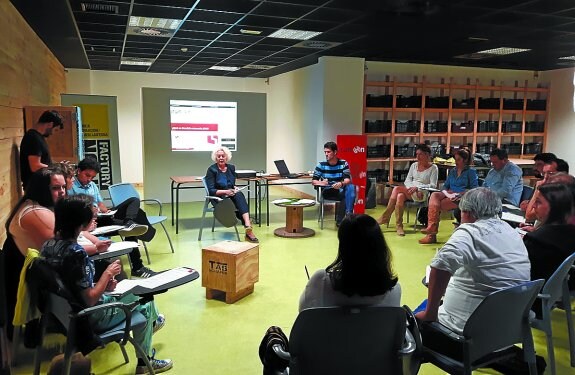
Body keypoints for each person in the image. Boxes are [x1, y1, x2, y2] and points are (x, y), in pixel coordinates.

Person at [41, 194, 173, 374]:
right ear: (82, 222)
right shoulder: (76, 253)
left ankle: (151, 326)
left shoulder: (48, 246)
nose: (94, 218)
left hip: (66, 315)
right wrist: (107, 274)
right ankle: (145, 361)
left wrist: (104, 285)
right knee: (146, 299)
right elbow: (89, 300)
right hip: (90, 317)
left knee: (131, 289)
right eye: (92, 216)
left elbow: (74, 285)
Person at [416, 187, 530, 336]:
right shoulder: (510, 230)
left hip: (465, 332)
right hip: (507, 329)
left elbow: (440, 266)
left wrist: (430, 313)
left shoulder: (469, 232)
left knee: (410, 322)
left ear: (467, 212)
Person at [67, 157, 158, 278]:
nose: (89, 179)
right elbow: (72, 210)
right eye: (87, 175)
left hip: (101, 217)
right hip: (87, 222)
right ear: (78, 171)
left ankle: (128, 221)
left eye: (92, 177)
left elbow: (100, 204)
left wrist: (107, 211)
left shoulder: (92, 185)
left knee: (134, 201)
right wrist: (90, 215)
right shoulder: (70, 186)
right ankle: (137, 267)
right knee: (132, 227)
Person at [2, 168, 66, 338]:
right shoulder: (36, 213)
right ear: (41, 189)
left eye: (63, 187)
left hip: (31, 273)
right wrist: (95, 246)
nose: (62, 192)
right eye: (55, 188)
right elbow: (61, 247)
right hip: (31, 278)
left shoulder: (35, 205)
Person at [299, 214, 401, 311]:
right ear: (380, 245)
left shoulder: (321, 282)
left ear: (343, 246)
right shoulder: (394, 290)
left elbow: (304, 314)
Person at [523, 184, 575, 307]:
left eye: (538, 202)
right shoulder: (570, 231)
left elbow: (519, 273)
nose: (533, 206)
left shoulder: (537, 241)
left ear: (554, 206)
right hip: (552, 295)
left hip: (530, 301)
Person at [376, 143, 438, 236]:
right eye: (416, 154)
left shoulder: (434, 168)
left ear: (427, 155)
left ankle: (386, 216)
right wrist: (411, 188)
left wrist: (418, 188)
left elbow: (433, 185)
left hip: (422, 193)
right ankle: (399, 225)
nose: (417, 157)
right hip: (411, 190)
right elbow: (407, 180)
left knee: (397, 189)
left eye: (420, 154)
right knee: (400, 196)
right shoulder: (414, 165)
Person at [419, 148, 478, 244]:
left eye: (458, 159)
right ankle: (431, 228)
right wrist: (446, 193)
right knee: (434, 195)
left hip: (461, 196)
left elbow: (474, 189)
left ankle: (431, 234)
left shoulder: (471, 172)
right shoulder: (453, 171)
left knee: (436, 205)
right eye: (455, 159)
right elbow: (445, 186)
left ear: (465, 160)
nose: (456, 162)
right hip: (449, 193)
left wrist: (460, 194)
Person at [205, 146, 258, 242]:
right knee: (237, 203)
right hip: (219, 198)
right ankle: (248, 229)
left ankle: (247, 225)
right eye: (219, 156)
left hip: (230, 195)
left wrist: (234, 188)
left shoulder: (231, 168)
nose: (221, 158)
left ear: (226, 157)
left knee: (239, 195)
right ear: (215, 158)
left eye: (223, 156)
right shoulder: (212, 170)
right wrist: (226, 192)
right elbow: (211, 190)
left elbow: (231, 184)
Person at [311, 141, 356, 226]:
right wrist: (322, 183)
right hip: (328, 190)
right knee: (346, 195)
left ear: (335, 152)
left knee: (349, 188)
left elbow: (347, 179)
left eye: (328, 152)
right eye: (325, 152)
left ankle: (346, 216)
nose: (326, 154)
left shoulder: (343, 163)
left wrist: (341, 183)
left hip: (339, 189)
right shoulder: (321, 165)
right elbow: (313, 181)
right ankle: (346, 218)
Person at [19, 110, 63, 191]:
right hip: (35, 188)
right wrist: (57, 168)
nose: (52, 133)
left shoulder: (38, 137)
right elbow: (35, 166)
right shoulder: (33, 138)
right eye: (55, 129)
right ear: (50, 124)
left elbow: (43, 161)